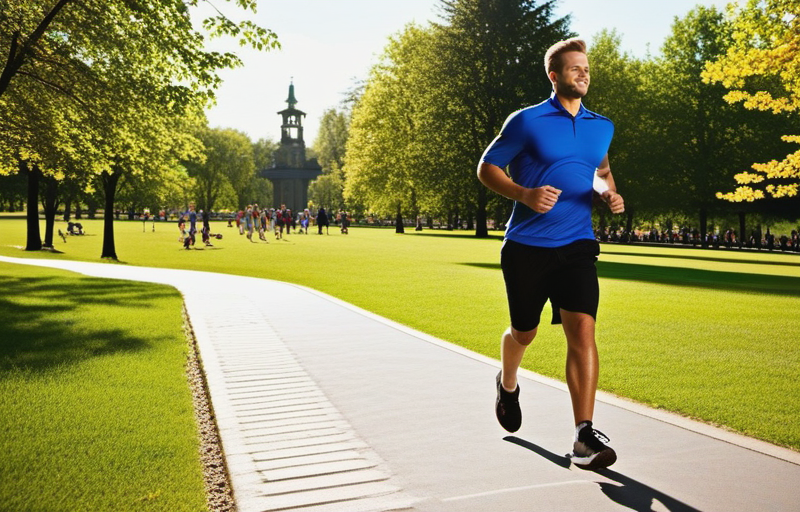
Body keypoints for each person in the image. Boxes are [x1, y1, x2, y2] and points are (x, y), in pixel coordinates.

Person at [477, 38, 625, 471]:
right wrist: (524, 193)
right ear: (554, 75)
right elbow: (487, 167)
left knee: (582, 332)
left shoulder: (602, 126)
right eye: (574, 68)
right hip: (527, 246)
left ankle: (584, 434)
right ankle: (507, 384)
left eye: (586, 68)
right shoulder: (526, 121)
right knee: (525, 332)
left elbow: (600, 171)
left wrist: (607, 193)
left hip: (578, 244)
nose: (583, 74)